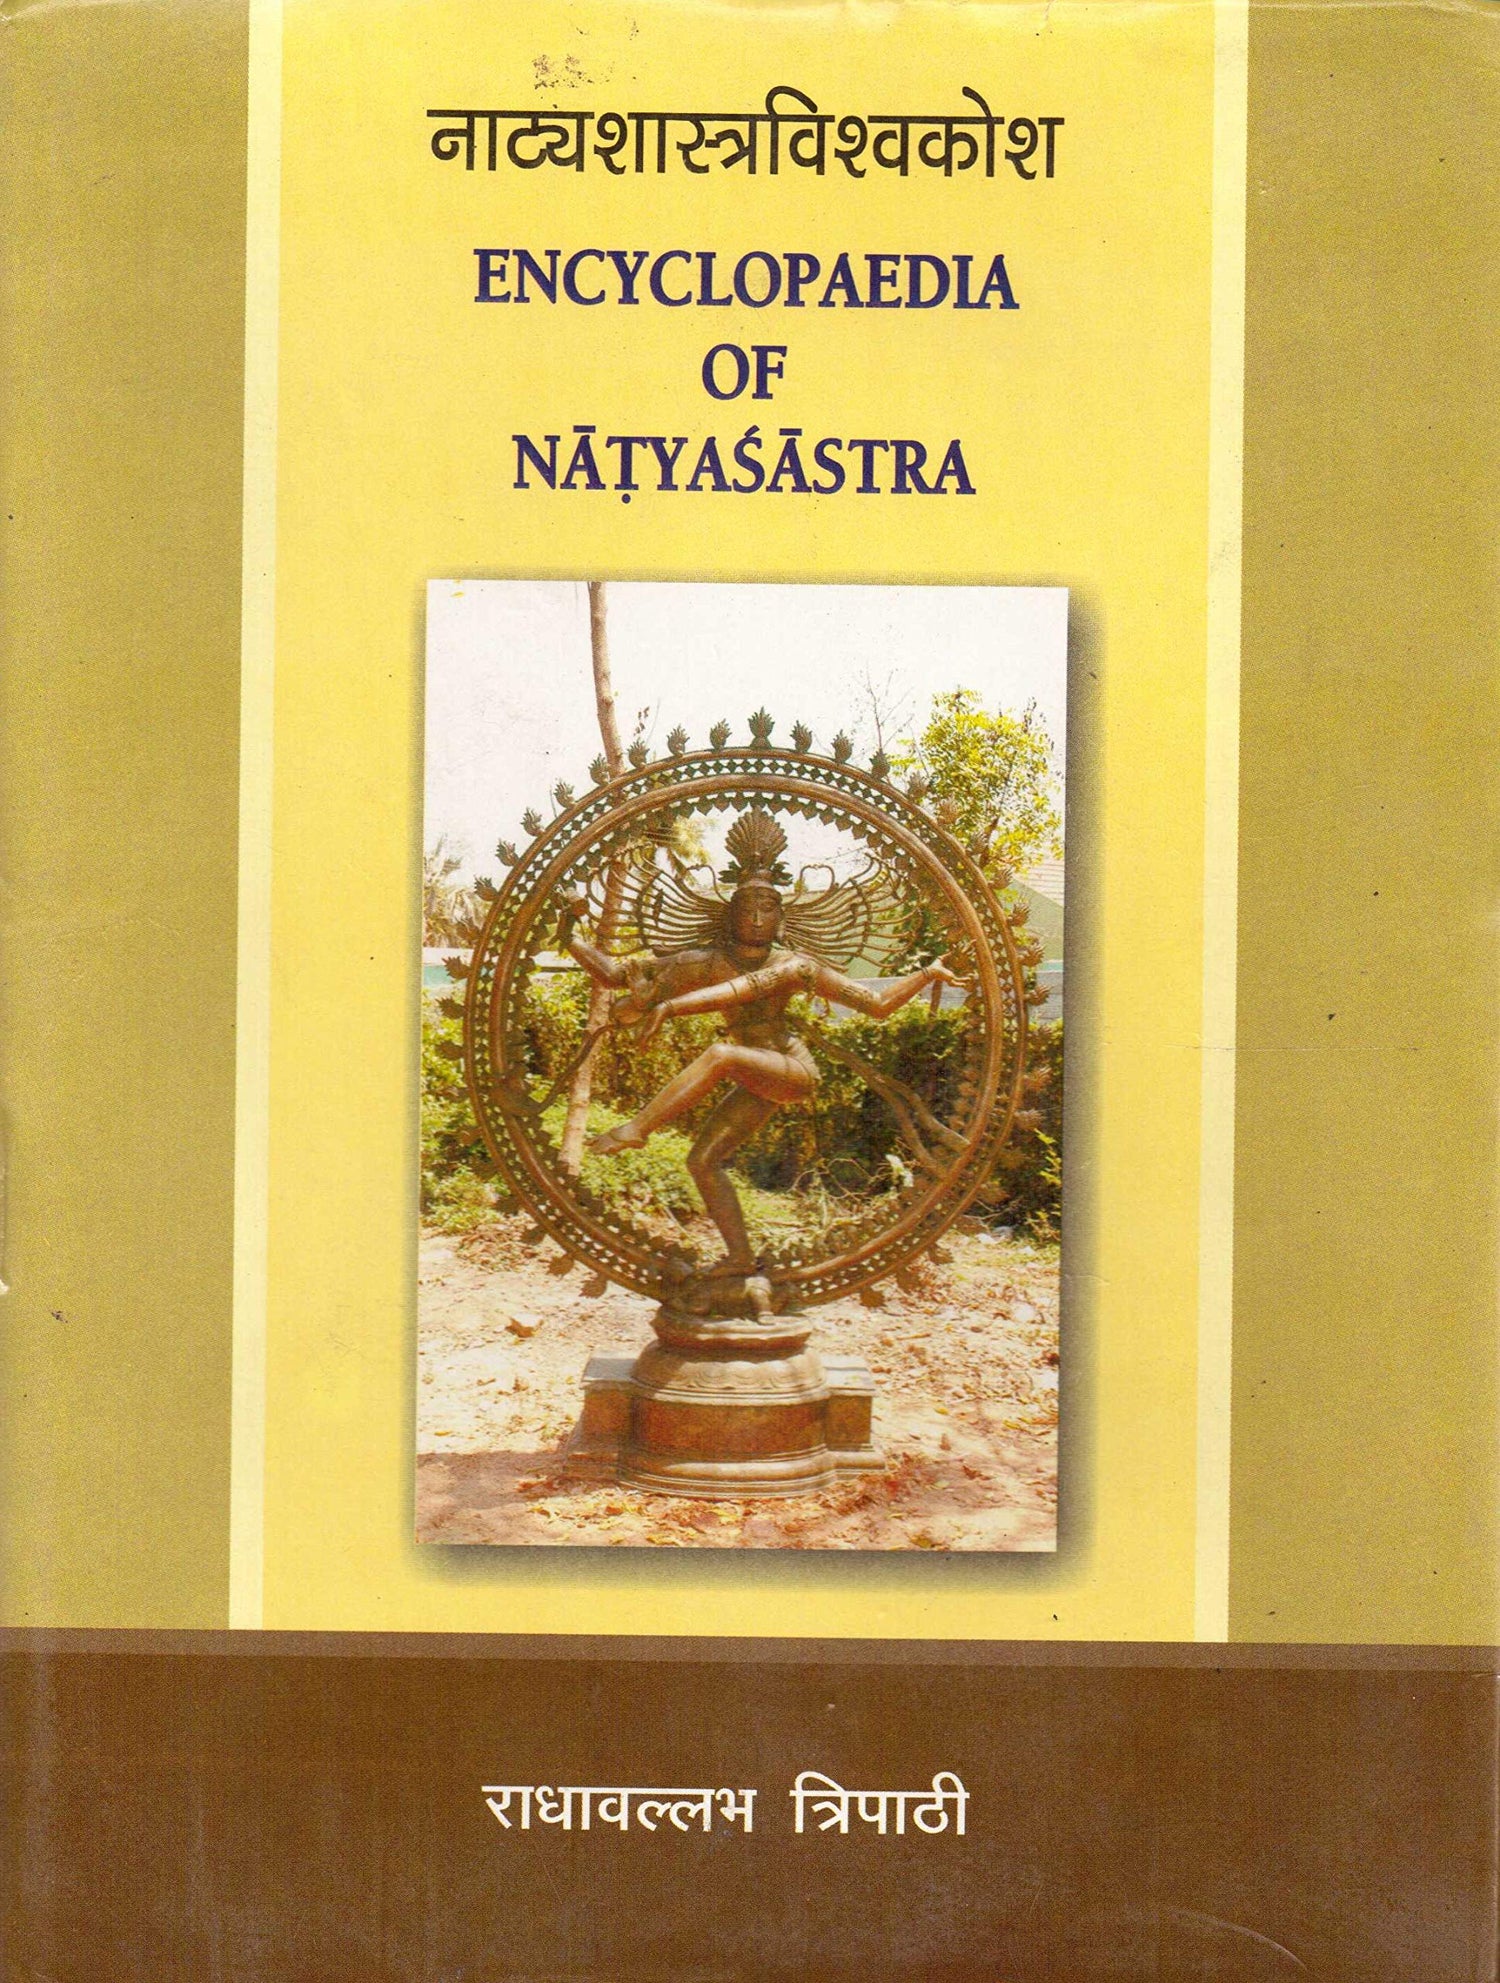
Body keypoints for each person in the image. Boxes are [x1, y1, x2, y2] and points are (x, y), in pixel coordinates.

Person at [559, 866, 958, 1274]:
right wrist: (568, 934)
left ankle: (636, 1129)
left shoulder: (795, 966)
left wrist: (928, 973)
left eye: (767, 909)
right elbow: (616, 976)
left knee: (722, 1055)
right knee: (702, 1161)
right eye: (746, 909)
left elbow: (876, 1004)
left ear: (781, 920)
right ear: (728, 917)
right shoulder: (704, 963)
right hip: (754, 1077)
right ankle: (740, 1259)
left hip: (791, 1068)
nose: (755, 918)